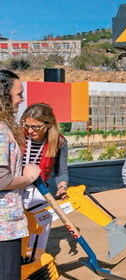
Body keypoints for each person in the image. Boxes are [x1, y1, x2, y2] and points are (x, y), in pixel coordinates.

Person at [0, 69, 41, 280]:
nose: (21, 99)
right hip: (3, 227)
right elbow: (1, 180)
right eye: (18, 94)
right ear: (3, 95)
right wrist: (27, 177)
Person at [20, 103, 69, 253]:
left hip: (39, 190)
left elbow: (61, 171)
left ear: (48, 124)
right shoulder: (17, 136)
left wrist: (62, 186)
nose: (29, 130)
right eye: (26, 125)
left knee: (43, 219)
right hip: (15, 186)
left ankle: (37, 255)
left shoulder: (59, 142)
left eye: (35, 127)